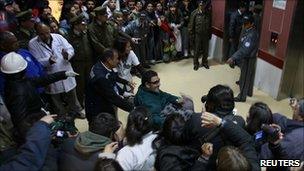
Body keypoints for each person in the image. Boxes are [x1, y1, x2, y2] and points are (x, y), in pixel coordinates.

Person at [1, 52, 78, 143]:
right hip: (35, 127)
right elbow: (21, 122)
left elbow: (42, 80)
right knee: (63, 135)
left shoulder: (17, 83)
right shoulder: (18, 93)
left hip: (38, 121)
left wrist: (63, 74)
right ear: (23, 70)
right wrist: (38, 138)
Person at [28, 23, 84, 117]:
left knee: (72, 94)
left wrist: (67, 55)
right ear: (37, 33)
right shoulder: (32, 44)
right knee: (56, 98)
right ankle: (62, 116)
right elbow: (36, 61)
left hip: (65, 68)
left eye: (47, 33)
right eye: (42, 34)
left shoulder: (58, 37)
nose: (45, 36)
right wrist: (48, 61)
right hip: (51, 73)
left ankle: (77, 111)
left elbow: (70, 49)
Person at [85, 49, 134, 123]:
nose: (118, 61)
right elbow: (113, 97)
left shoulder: (104, 65)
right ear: (109, 60)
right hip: (98, 110)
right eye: (117, 58)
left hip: (105, 102)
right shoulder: (100, 77)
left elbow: (112, 80)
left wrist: (123, 92)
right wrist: (132, 108)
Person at [0, 31, 44, 96]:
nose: (17, 44)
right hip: (25, 96)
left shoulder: (23, 51)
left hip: (41, 88)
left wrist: (45, 80)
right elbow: (3, 86)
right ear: (3, 46)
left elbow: (38, 65)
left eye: (16, 41)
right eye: (13, 43)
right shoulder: (3, 62)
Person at [227, 14, 259, 102]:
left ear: (251, 24)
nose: (244, 25)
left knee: (244, 78)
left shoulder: (251, 34)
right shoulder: (248, 30)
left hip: (248, 58)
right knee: (249, 76)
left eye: (246, 23)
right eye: (244, 23)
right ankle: (248, 92)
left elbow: (245, 50)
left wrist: (233, 57)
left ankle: (242, 97)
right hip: (247, 56)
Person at [67, 14, 94, 108]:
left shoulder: (85, 34)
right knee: (80, 85)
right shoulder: (70, 37)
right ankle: (80, 103)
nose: (85, 26)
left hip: (89, 62)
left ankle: (89, 101)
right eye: (82, 24)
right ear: (76, 25)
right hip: (78, 64)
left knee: (89, 83)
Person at [189, 0, 212, 70]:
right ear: (198, 5)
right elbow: (191, 26)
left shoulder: (208, 13)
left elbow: (210, 25)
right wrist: (191, 36)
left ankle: (204, 62)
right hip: (197, 35)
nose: (201, 6)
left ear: (205, 5)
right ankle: (196, 63)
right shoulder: (194, 13)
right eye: (200, 4)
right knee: (197, 50)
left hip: (205, 34)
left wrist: (210, 34)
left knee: (206, 50)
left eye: (203, 4)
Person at [228, 2, 246, 68]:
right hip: (234, 35)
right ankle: (231, 63)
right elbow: (231, 26)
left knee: (236, 48)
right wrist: (231, 36)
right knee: (233, 49)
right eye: (244, 8)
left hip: (239, 35)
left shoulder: (242, 14)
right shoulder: (235, 15)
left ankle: (234, 61)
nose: (244, 9)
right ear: (241, 8)